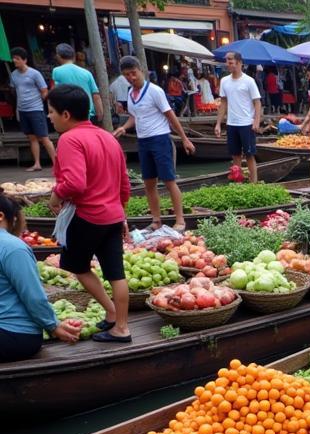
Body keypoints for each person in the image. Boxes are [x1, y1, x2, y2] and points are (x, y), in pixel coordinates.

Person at [46, 84, 131, 344]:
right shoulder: (107, 137)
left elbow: (74, 183)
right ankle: (120, 325)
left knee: (75, 266)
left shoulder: (70, 139)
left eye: (51, 112)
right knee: (116, 273)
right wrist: (122, 213)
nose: (49, 117)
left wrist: (55, 195)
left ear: (66, 115)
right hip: (113, 215)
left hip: (88, 215)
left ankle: (112, 313)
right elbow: (124, 185)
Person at [113, 56, 195, 232]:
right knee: (148, 183)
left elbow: (170, 115)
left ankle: (180, 220)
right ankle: (156, 220)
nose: (131, 78)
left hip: (160, 139)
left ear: (140, 70)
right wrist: (123, 128)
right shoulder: (130, 93)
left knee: (169, 180)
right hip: (143, 141)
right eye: (127, 75)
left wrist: (184, 138)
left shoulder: (155, 91)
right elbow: (134, 117)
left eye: (133, 73)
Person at [0, 190, 81, 358]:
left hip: (15, 334)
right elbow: (33, 296)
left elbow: (33, 297)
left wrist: (53, 326)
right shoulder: (14, 248)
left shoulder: (12, 248)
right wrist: (54, 326)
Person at [214, 51, 262, 184]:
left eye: (230, 61)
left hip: (246, 123)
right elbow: (223, 102)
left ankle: (253, 184)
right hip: (231, 123)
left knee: (249, 154)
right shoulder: (224, 81)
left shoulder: (249, 81)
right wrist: (218, 123)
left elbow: (257, 102)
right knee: (235, 155)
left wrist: (256, 121)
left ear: (239, 62)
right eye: (227, 61)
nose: (228, 64)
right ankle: (238, 183)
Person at [10, 48, 56, 172]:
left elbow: (44, 91)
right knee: (32, 138)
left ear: (24, 60)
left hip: (36, 109)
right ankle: (37, 163)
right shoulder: (13, 75)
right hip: (22, 110)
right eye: (13, 58)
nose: (14, 60)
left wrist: (43, 105)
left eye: (17, 58)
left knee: (44, 137)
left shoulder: (34, 73)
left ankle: (57, 164)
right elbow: (14, 91)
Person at [52, 43, 103, 124]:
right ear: (73, 57)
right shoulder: (86, 73)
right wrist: (100, 112)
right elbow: (96, 95)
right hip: (88, 114)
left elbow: (54, 94)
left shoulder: (56, 71)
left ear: (58, 56)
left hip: (69, 115)